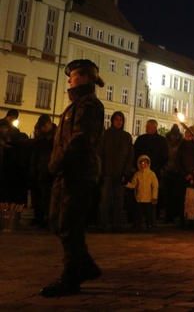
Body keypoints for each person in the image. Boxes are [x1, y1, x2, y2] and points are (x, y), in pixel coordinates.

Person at [41, 59, 105, 297]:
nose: (69, 79)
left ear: (85, 78)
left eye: (74, 75)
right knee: (58, 221)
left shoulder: (89, 105)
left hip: (78, 172)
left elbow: (79, 140)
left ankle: (71, 276)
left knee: (68, 223)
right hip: (67, 172)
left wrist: (54, 164)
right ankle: (86, 265)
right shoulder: (77, 104)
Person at [96, 111, 133, 233]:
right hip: (107, 173)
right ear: (112, 121)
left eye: (120, 120)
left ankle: (117, 225)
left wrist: (127, 173)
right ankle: (102, 225)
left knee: (119, 201)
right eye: (116, 119)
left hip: (120, 174)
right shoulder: (105, 135)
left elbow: (129, 157)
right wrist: (100, 173)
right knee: (104, 201)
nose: (118, 122)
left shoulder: (127, 137)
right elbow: (100, 154)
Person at [133, 119, 169, 218]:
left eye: (148, 127)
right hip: (141, 171)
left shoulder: (161, 141)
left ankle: (152, 216)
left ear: (154, 128)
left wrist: (155, 167)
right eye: (146, 127)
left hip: (154, 171)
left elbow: (164, 157)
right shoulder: (141, 139)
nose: (146, 128)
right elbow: (135, 153)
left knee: (153, 193)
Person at [29, 114, 56, 229]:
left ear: (49, 124)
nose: (43, 128)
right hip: (39, 167)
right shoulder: (40, 136)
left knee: (48, 196)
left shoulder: (54, 136)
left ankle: (48, 218)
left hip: (49, 169)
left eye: (45, 126)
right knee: (38, 195)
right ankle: (39, 217)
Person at [125, 155, 160, 233]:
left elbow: (155, 187)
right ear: (139, 164)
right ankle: (137, 226)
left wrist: (154, 197)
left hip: (148, 199)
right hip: (139, 198)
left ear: (149, 163)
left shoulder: (152, 174)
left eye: (146, 163)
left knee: (149, 214)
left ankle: (150, 225)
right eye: (142, 163)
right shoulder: (137, 174)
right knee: (137, 214)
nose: (144, 165)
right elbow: (133, 184)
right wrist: (126, 183)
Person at [161, 124, 185, 224]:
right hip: (167, 171)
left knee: (177, 195)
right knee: (167, 195)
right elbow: (163, 155)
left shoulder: (181, 144)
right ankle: (169, 215)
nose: (174, 138)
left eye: (176, 136)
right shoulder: (166, 143)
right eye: (173, 136)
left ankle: (175, 214)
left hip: (178, 171)